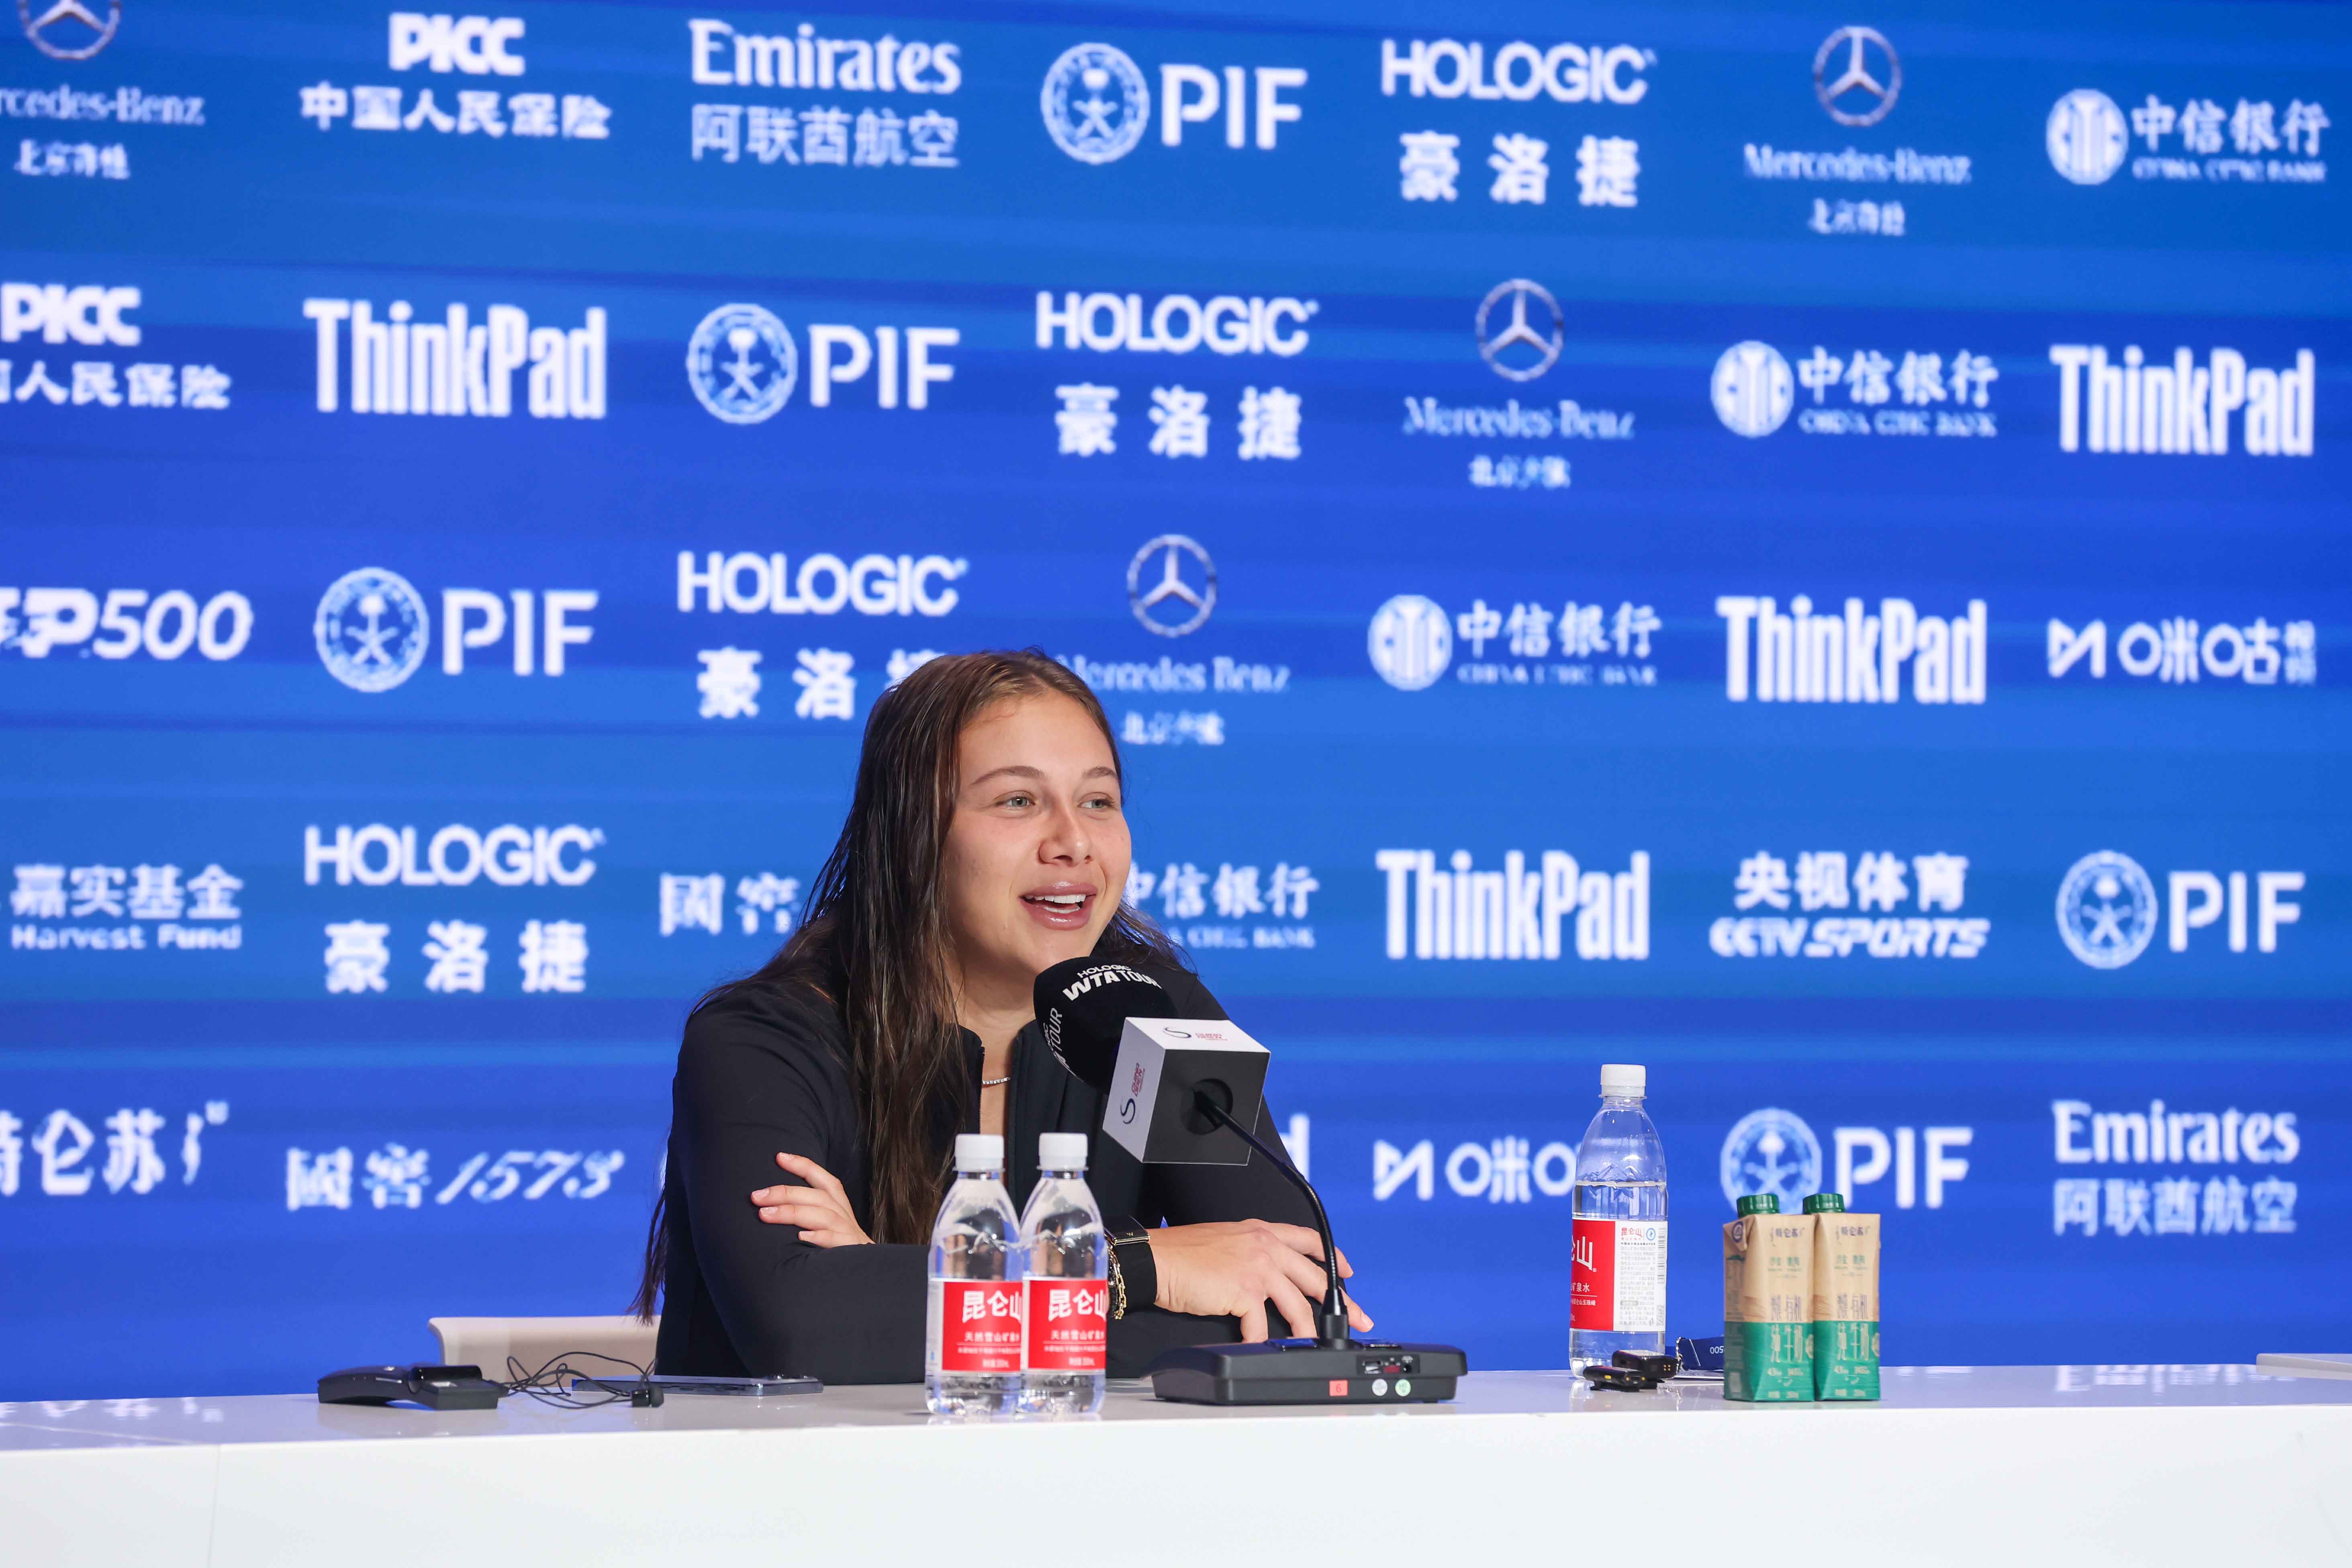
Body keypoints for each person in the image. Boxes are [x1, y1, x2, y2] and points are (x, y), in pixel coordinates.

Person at [631, 649, 1368, 1382]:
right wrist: (1135, 1270)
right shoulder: (764, 1041)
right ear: (913, 836)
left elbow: (1289, 1309)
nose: (1073, 843)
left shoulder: (1155, 1018)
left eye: (1098, 801)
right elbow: (800, 1329)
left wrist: (892, 1283)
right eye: (1018, 801)